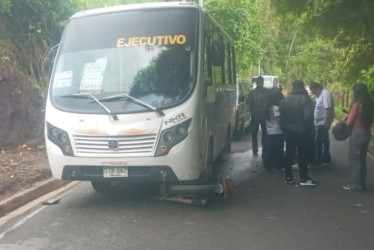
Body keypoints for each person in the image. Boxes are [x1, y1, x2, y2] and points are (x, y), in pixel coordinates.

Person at [280, 80, 316, 186]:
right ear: (302, 87)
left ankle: (288, 177)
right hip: (302, 131)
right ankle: (304, 178)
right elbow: (308, 116)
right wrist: (311, 130)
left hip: (289, 131)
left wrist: (284, 129)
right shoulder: (304, 99)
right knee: (303, 155)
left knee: (289, 154)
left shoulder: (286, 100)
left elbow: (281, 117)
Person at [343, 83, 374, 191]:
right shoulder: (369, 104)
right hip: (366, 133)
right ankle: (362, 182)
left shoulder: (357, 104)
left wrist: (346, 116)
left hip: (357, 133)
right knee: (362, 159)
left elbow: (349, 122)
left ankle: (354, 184)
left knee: (354, 159)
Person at [309, 82, 334, 166]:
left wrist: (327, 121)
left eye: (313, 92)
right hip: (319, 122)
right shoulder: (320, 96)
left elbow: (328, 108)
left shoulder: (325, 94)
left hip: (323, 122)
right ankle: (325, 157)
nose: (313, 94)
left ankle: (321, 158)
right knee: (323, 140)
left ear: (317, 89)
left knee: (319, 141)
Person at [263, 90, 285, 170]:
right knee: (278, 149)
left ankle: (268, 164)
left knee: (270, 149)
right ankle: (279, 165)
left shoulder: (267, 107)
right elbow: (278, 119)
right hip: (277, 131)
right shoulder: (275, 107)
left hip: (269, 131)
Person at [248, 76, 270, 156]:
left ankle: (265, 148)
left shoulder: (267, 91)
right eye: (259, 82)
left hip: (264, 116)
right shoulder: (252, 93)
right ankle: (255, 150)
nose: (260, 83)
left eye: (261, 82)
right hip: (255, 116)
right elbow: (249, 104)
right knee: (254, 134)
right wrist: (253, 112)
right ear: (257, 83)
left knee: (265, 133)